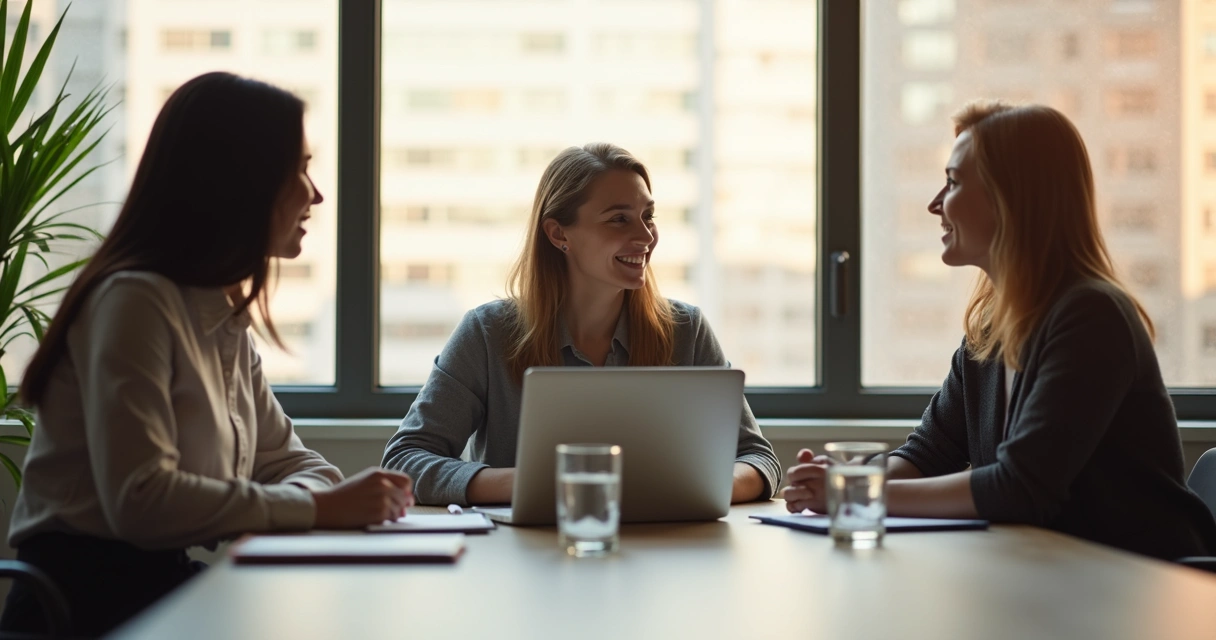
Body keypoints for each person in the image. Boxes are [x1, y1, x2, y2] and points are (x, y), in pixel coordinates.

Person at [0, 72, 414, 637]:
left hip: (156, 590)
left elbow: (300, 465)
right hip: (80, 609)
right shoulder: (135, 300)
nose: (314, 194)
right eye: (299, 168)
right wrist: (318, 509)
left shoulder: (221, 315)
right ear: (240, 180)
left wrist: (311, 501)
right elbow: (142, 499)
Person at [782, 100, 1216, 560]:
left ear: (1011, 196)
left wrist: (857, 494)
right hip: (1056, 578)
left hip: (1145, 588)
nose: (935, 204)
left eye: (952, 182)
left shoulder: (1092, 316)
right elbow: (927, 454)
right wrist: (845, 480)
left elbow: (1020, 487)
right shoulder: (990, 328)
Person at [382, 143, 780, 506]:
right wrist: (534, 485)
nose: (645, 236)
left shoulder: (686, 330)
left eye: (647, 216)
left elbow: (758, 458)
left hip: (666, 556)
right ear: (558, 234)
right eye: (618, 220)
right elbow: (405, 462)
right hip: (520, 561)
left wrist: (699, 485)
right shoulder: (488, 333)